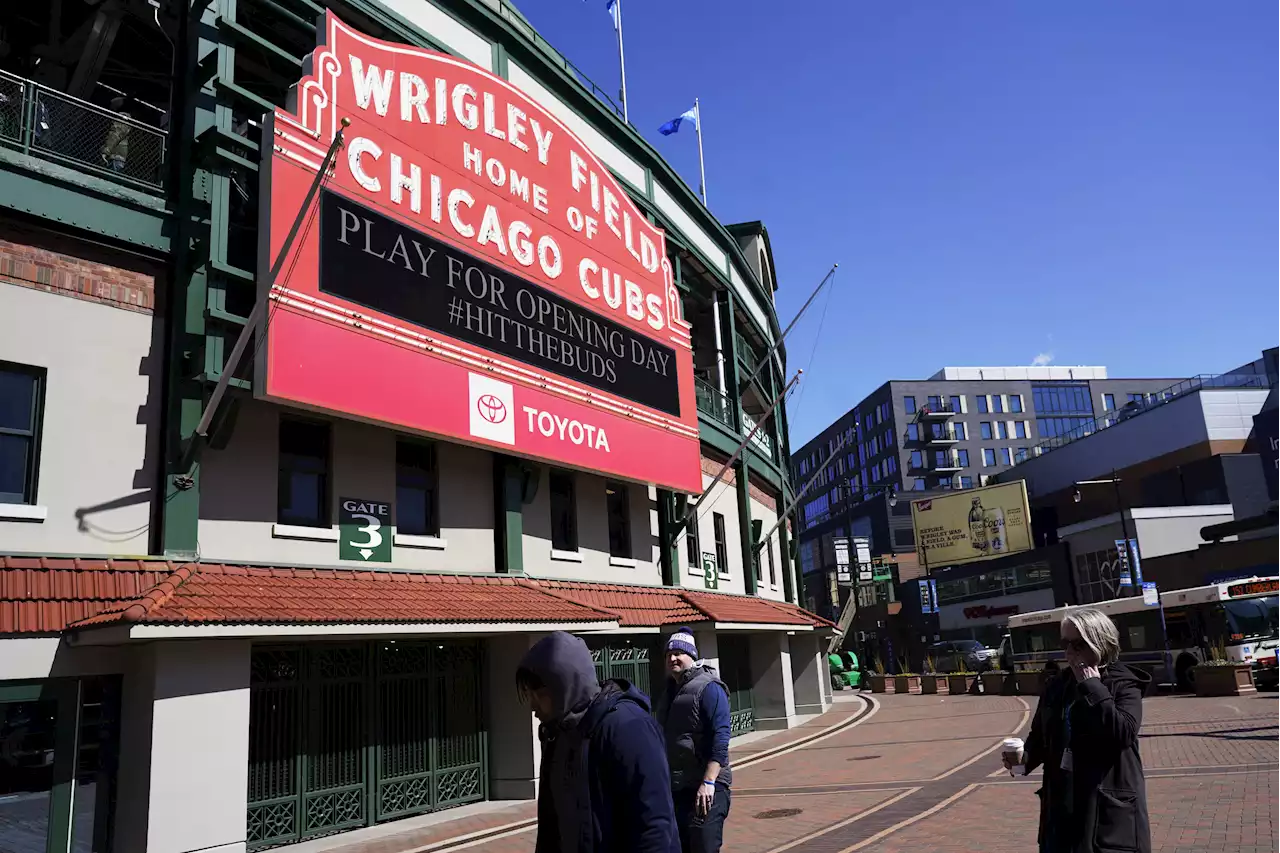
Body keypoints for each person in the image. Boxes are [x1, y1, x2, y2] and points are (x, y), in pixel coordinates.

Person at [1004, 608, 1152, 853]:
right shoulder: (1057, 685)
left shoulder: (1122, 683)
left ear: (1100, 642)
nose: (1070, 652)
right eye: (1066, 644)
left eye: (1079, 644)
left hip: (1105, 807)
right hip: (1062, 807)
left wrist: (1092, 686)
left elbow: (1122, 733)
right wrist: (1025, 757)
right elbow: (1040, 737)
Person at [516, 631, 679, 853]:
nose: (533, 706)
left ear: (565, 684)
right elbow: (551, 826)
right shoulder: (557, 734)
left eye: (539, 695)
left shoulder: (628, 727)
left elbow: (654, 826)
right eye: (528, 695)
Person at [657, 628, 732, 853]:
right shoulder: (669, 691)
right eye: (668, 654)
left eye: (679, 653)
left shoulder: (709, 687)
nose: (672, 658)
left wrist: (708, 782)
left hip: (708, 787)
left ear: (692, 655)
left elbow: (721, 736)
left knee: (704, 846)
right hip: (678, 787)